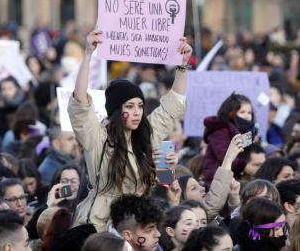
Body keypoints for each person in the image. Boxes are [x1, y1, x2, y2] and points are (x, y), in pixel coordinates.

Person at [68, 30, 192, 232]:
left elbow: (173, 107)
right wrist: (88, 54)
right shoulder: (97, 136)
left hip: (136, 224)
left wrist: (183, 65)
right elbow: (80, 103)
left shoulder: (144, 135)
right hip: (100, 226)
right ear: (117, 110)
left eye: (140, 106)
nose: (137, 112)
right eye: (129, 106)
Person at [177, 135, 242, 223]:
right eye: (194, 188)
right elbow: (212, 204)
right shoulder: (192, 218)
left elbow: (236, 224)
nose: (203, 188)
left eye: (199, 185)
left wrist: (234, 197)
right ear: (182, 199)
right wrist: (228, 159)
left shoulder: (216, 218)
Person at [203, 93, 257, 184]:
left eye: (249, 112)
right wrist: (244, 167)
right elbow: (224, 156)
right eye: (242, 112)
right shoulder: (220, 130)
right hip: (218, 181)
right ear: (231, 113)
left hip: (235, 179)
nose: (247, 116)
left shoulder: (249, 132)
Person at [0, 77, 25, 151]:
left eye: (10, 88)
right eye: (4, 89)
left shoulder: (24, 103)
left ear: (16, 88)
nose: (7, 92)